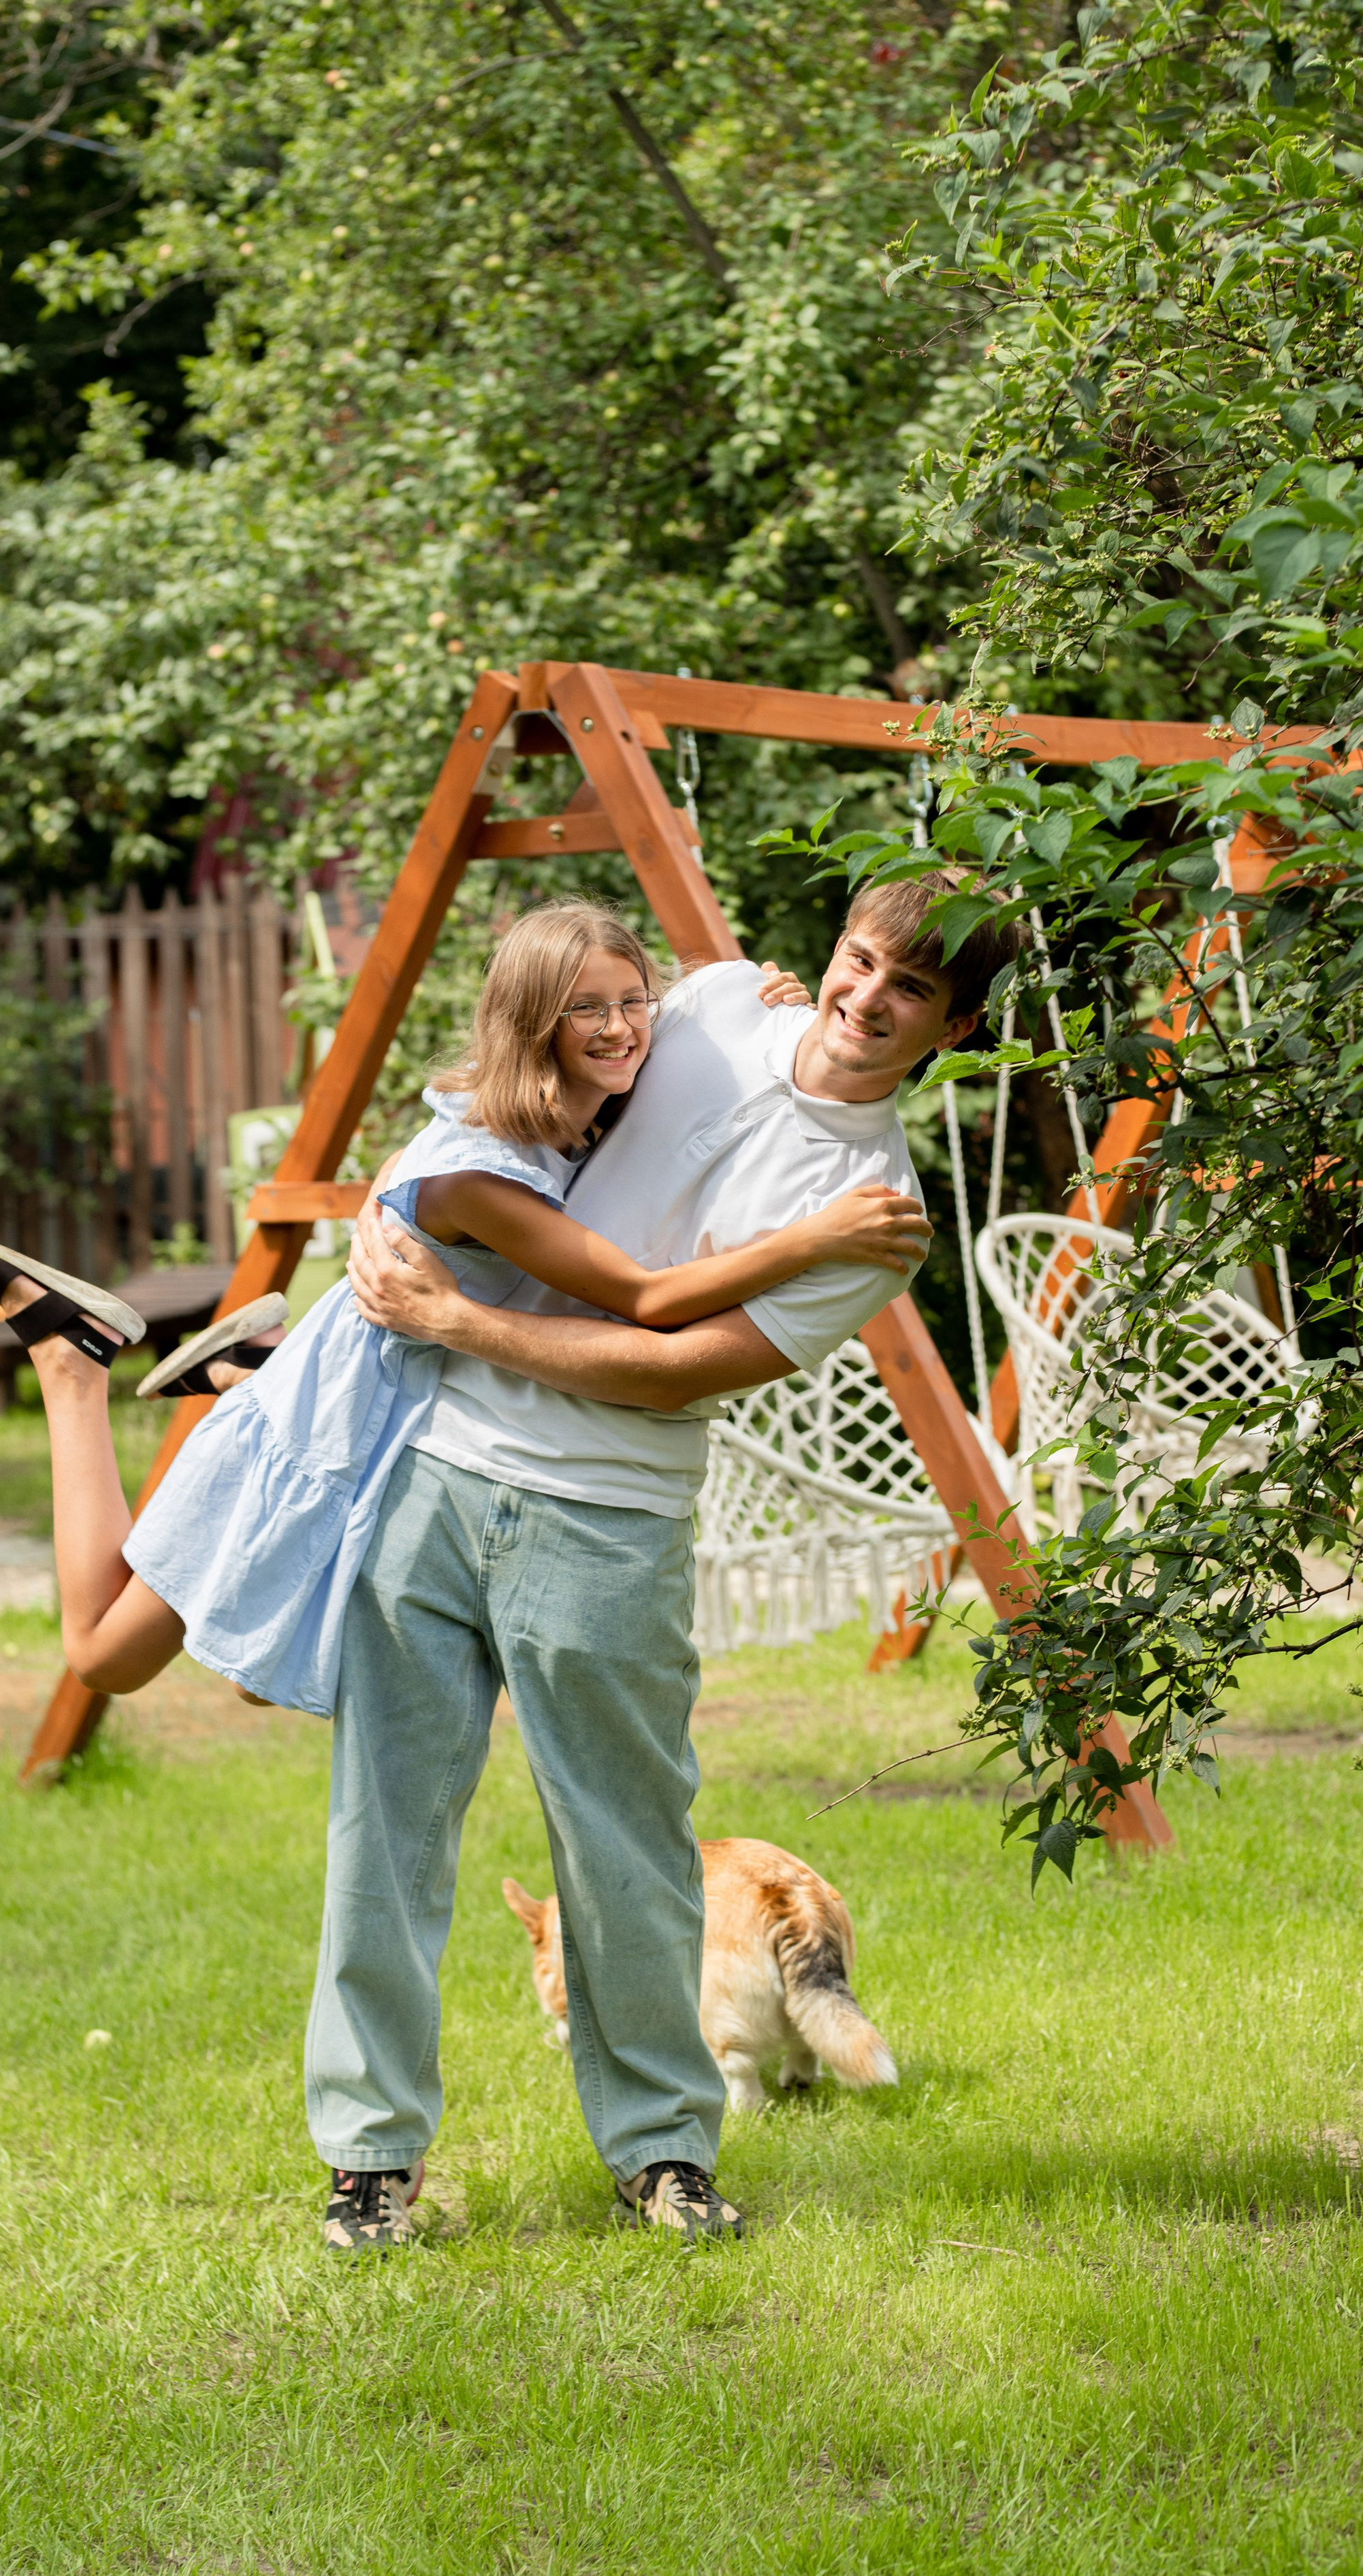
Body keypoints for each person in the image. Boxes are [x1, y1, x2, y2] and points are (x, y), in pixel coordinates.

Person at [319, 867, 1012, 2255]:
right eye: (859, 961)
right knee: (382, 1836)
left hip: (607, 1518)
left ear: (954, 1027)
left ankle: (660, 2157)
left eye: (910, 989)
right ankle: (367, 2164)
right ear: (829, 952)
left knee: (626, 1854)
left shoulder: (873, 1216)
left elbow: (662, 1371)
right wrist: (409, 1204)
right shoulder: (698, 1005)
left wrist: (457, 1321)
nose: (865, 998)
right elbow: (530, 1096)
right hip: (434, 1474)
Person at [0, 903, 927, 1721]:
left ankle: (247, 1366)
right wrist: (813, 1238)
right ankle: (74, 1365)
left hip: (392, 1392)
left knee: (269, 1673)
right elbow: (644, 1300)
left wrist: (773, 1002)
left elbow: (697, 1026)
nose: (623, 1026)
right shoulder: (486, 1173)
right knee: (107, 1657)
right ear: (533, 1022)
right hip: (340, 1408)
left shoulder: (585, 1110)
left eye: (635, 1002)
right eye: (586, 1009)